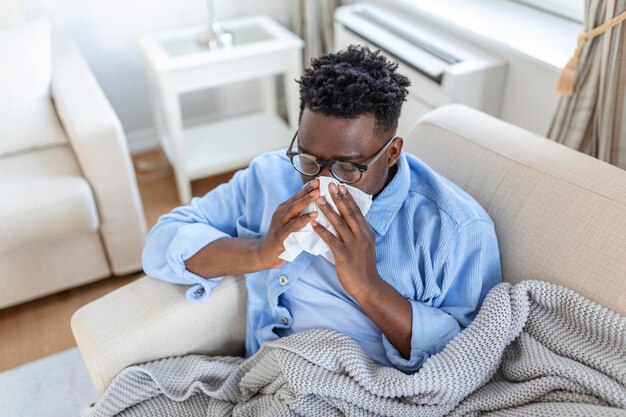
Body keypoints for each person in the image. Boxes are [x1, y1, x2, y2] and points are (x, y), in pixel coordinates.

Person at [142, 44, 502, 373]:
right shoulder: (270, 176)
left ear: (391, 153)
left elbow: (468, 355)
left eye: (348, 168)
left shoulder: (456, 228)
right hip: (269, 374)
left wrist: (368, 286)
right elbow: (162, 243)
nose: (322, 182)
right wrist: (260, 253)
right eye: (310, 159)